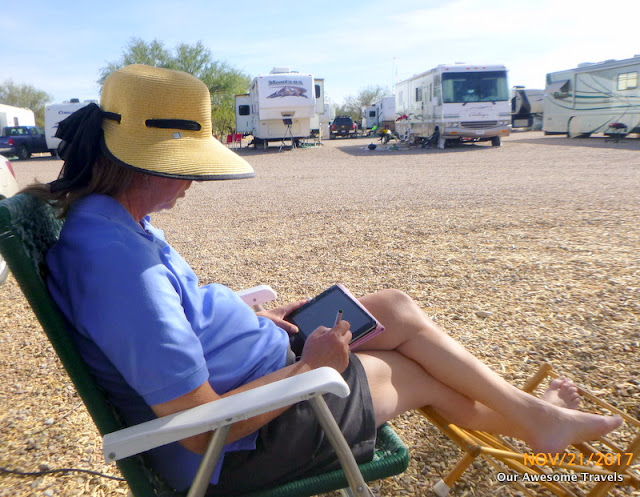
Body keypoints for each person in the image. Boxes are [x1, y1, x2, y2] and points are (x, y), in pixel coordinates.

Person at [25, 65, 622, 496]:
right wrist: (310, 369)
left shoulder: (112, 220)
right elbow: (197, 433)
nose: (192, 184)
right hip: (240, 447)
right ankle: (536, 423)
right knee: (415, 372)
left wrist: (253, 318)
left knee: (393, 308)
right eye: (187, 170)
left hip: (259, 368)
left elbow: (173, 320)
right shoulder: (117, 266)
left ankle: (532, 415)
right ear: (138, 163)